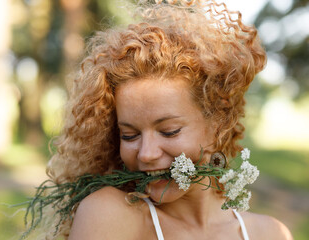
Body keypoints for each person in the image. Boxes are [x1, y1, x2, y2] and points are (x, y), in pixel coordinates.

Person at [45, 0, 293, 239]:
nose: (146, 154)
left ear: (217, 125)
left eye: (169, 131)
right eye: (129, 135)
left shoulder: (271, 234)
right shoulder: (110, 215)